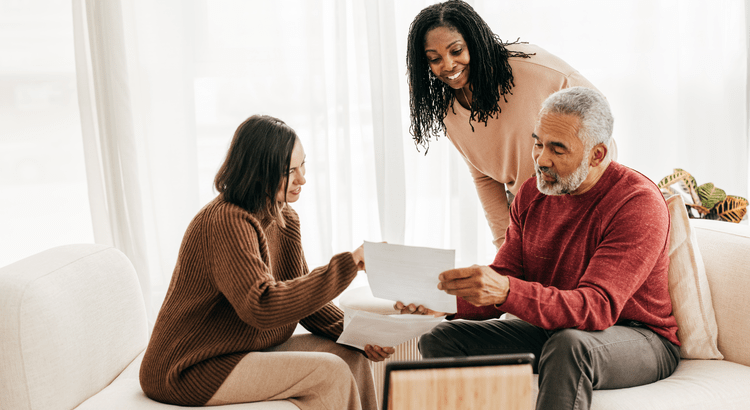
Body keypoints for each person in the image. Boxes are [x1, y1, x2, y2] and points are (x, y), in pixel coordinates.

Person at [397, 87, 680, 410]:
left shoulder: (636, 203)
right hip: (556, 327)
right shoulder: (533, 193)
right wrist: (444, 300)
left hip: (640, 337)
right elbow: (506, 275)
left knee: (570, 345)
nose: (541, 159)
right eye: (538, 143)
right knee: (443, 338)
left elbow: (597, 308)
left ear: (597, 155)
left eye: (557, 149)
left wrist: (505, 292)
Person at [140, 115, 393, 410]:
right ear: (258, 173)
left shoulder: (284, 217)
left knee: (349, 355)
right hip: (189, 367)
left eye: (303, 165)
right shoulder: (225, 222)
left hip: (239, 351)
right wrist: (348, 264)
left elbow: (301, 300)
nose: (302, 179)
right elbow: (262, 306)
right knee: (329, 372)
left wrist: (356, 335)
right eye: (290, 171)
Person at [406, 0, 617, 249]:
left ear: (474, 42)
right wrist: (504, 244)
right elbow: (484, 176)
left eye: (456, 51)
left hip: (584, 197)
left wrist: (579, 190)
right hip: (528, 209)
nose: (448, 65)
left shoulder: (531, 68)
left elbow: (599, 109)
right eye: (434, 59)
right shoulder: (447, 109)